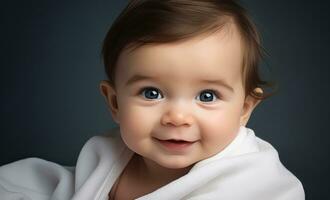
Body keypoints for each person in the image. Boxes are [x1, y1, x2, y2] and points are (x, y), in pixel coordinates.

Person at [0, 0, 305, 199]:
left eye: (207, 95)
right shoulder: (102, 159)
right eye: (151, 93)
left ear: (245, 109)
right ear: (115, 103)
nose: (177, 117)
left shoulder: (257, 184)